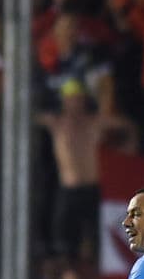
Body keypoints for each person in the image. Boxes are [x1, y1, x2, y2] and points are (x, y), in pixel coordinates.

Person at [36, 78, 137, 263]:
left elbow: (128, 126)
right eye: (72, 98)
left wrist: (129, 148)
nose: (76, 103)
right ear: (64, 101)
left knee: (97, 245)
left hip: (93, 189)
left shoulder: (95, 122)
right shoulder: (57, 124)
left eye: (79, 98)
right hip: (68, 190)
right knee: (65, 247)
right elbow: (26, 115)